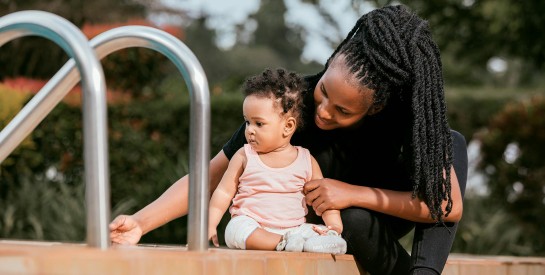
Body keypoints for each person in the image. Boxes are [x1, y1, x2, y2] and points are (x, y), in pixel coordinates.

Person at [109, 5, 467, 275]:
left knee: (449, 142)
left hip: (390, 207)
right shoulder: (291, 104)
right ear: (329, 63)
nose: (324, 111)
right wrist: (141, 222)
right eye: (325, 91)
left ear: (375, 108)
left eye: (343, 111)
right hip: (325, 226)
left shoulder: (401, 118)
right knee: (355, 218)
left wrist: (351, 192)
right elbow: (213, 175)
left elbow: (448, 205)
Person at [208, 68, 346, 254]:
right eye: (247, 122)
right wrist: (209, 223)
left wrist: (334, 227)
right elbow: (224, 193)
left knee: (311, 231)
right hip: (253, 224)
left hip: (294, 229)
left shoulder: (306, 160)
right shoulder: (244, 155)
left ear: (288, 126)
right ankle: (283, 242)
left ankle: (327, 241)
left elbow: (324, 201)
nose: (249, 130)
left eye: (259, 123)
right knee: (234, 230)